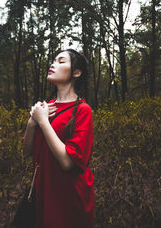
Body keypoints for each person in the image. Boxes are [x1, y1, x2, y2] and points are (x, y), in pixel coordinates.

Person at [21, 49, 94, 228]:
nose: (53, 64)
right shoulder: (45, 108)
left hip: (68, 196)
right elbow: (27, 151)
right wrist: (32, 123)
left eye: (61, 61)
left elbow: (68, 162)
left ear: (76, 72)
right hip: (43, 190)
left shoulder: (83, 110)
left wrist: (43, 122)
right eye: (53, 60)